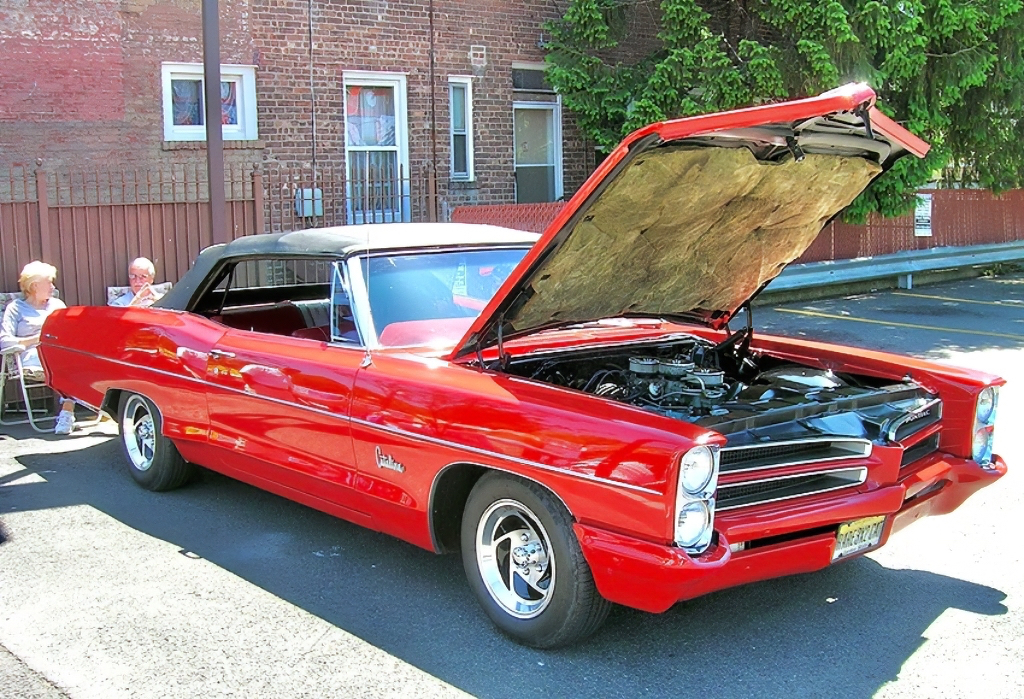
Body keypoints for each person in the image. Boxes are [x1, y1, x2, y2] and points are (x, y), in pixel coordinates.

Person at [0, 261, 77, 435]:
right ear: (35, 286)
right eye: (49, 282)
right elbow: (5, 342)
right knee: (67, 366)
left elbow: (71, 333)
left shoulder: (57, 305)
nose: (53, 287)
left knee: (74, 362)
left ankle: (67, 412)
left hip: (59, 353)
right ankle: (67, 413)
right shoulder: (16, 308)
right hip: (33, 356)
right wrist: (36, 339)